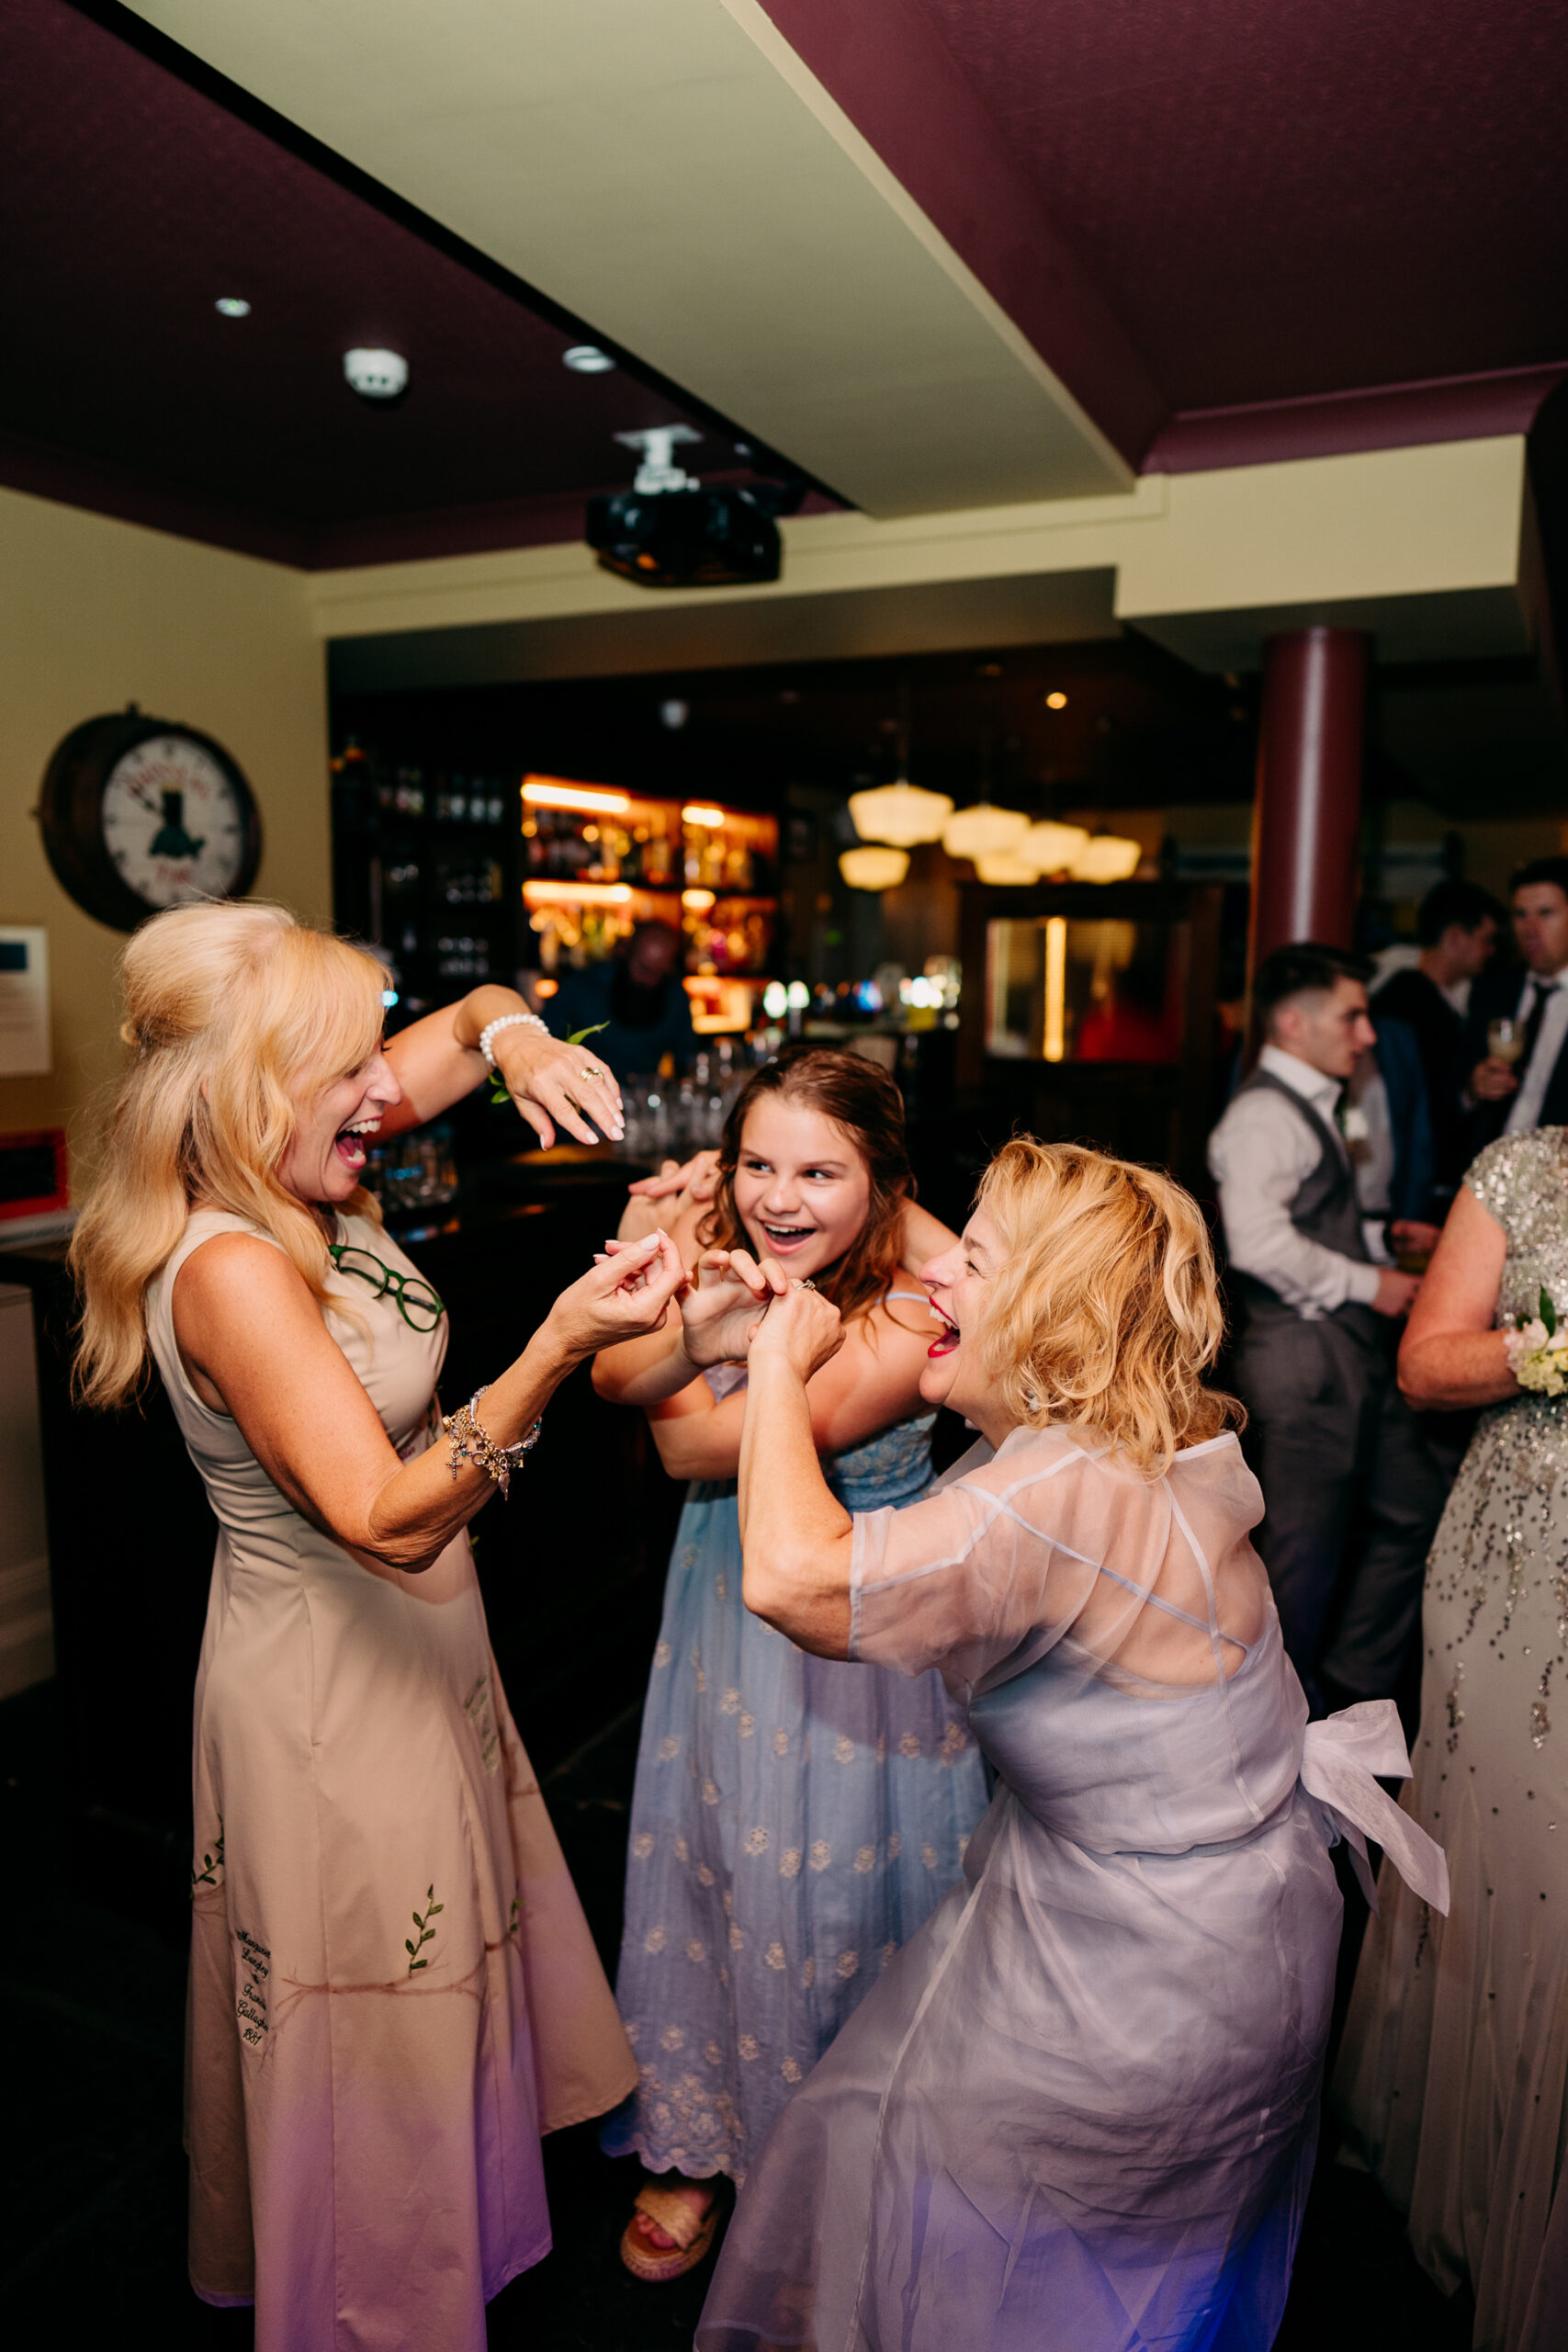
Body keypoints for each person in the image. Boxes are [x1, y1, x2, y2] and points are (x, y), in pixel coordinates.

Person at [694, 1138, 1447, 2352]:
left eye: (975, 1262)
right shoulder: (1137, 1435)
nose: (939, 1281)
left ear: (1048, 1305)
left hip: (1147, 1980)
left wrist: (775, 1370)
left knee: (1013, 2246)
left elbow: (790, 1577)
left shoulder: (1043, 1496)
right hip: (1228, 1916)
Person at [68, 901, 687, 2352]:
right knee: (367, 1987)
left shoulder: (305, 1156)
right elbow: (388, 1516)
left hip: (423, 1652)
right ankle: (374, 2298)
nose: (380, 1097)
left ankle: (452, 2219)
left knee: (433, 1952)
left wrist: (520, 1032)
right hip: (327, 1685)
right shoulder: (230, 1267)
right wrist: (556, 1344)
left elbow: (468, 1024)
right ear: (245, 1088)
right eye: (346, 1070)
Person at [591, 1048, 987, 2280]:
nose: (777, 1198)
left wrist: (681, 1318)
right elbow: (608, 1368)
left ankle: (839, 2144)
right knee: (715, 1841)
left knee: (847, 1877)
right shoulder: (718, 1216)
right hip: (720, 1592)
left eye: (820, 1171)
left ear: (884, 1180)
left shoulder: (921, 1298)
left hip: (854, 1595)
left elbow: (693, 1448)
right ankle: (700, 2127)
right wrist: (656, 1266)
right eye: (756, 1162)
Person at [1334, 1127, 1568, 2352]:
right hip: (1512, 1567)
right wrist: (1546, 1349)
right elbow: (1423, 1366)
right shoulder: (1521, 1169)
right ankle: (1484, 2177)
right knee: (1512, 1859)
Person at [1208, 943, 1450, 1712]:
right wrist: (1368, 1280)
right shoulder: (1259, 1117)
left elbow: (1309, 1220)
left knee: (1409, 1508)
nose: (1367, 1033)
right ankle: (1273, 1715)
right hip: (1301, 1363)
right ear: (1290, 1021)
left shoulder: (1312, 1103)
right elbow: (1255, 1243)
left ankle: (1348, 1684)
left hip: (1346, 1358)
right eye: (1352, 1014)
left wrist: (1383, 1240)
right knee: (1296, 1562)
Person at [1371, 879, 1501, 1197]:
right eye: (1486, 940)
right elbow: (1420, 1102)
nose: (1491, 951)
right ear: (1455, 938)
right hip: (1415, 1177)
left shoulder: (1439, 1001)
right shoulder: (1409, 1003)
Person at [1461, 856, 1568, 1157]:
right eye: (1520, 914)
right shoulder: (1492, 989)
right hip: (1487, 1170)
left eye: (1545, 913)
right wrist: (1473, 1085)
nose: (1529, 928)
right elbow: (1453, 1078)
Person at [546, 918, 695, 1082]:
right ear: (625, 951)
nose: (648, 980)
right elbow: (546, 1044)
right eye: (643, 968)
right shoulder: (582, 985)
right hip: (583, 1094)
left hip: (644, 1099)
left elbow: (687, 1057)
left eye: (659, 973)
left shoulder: (675, 995)